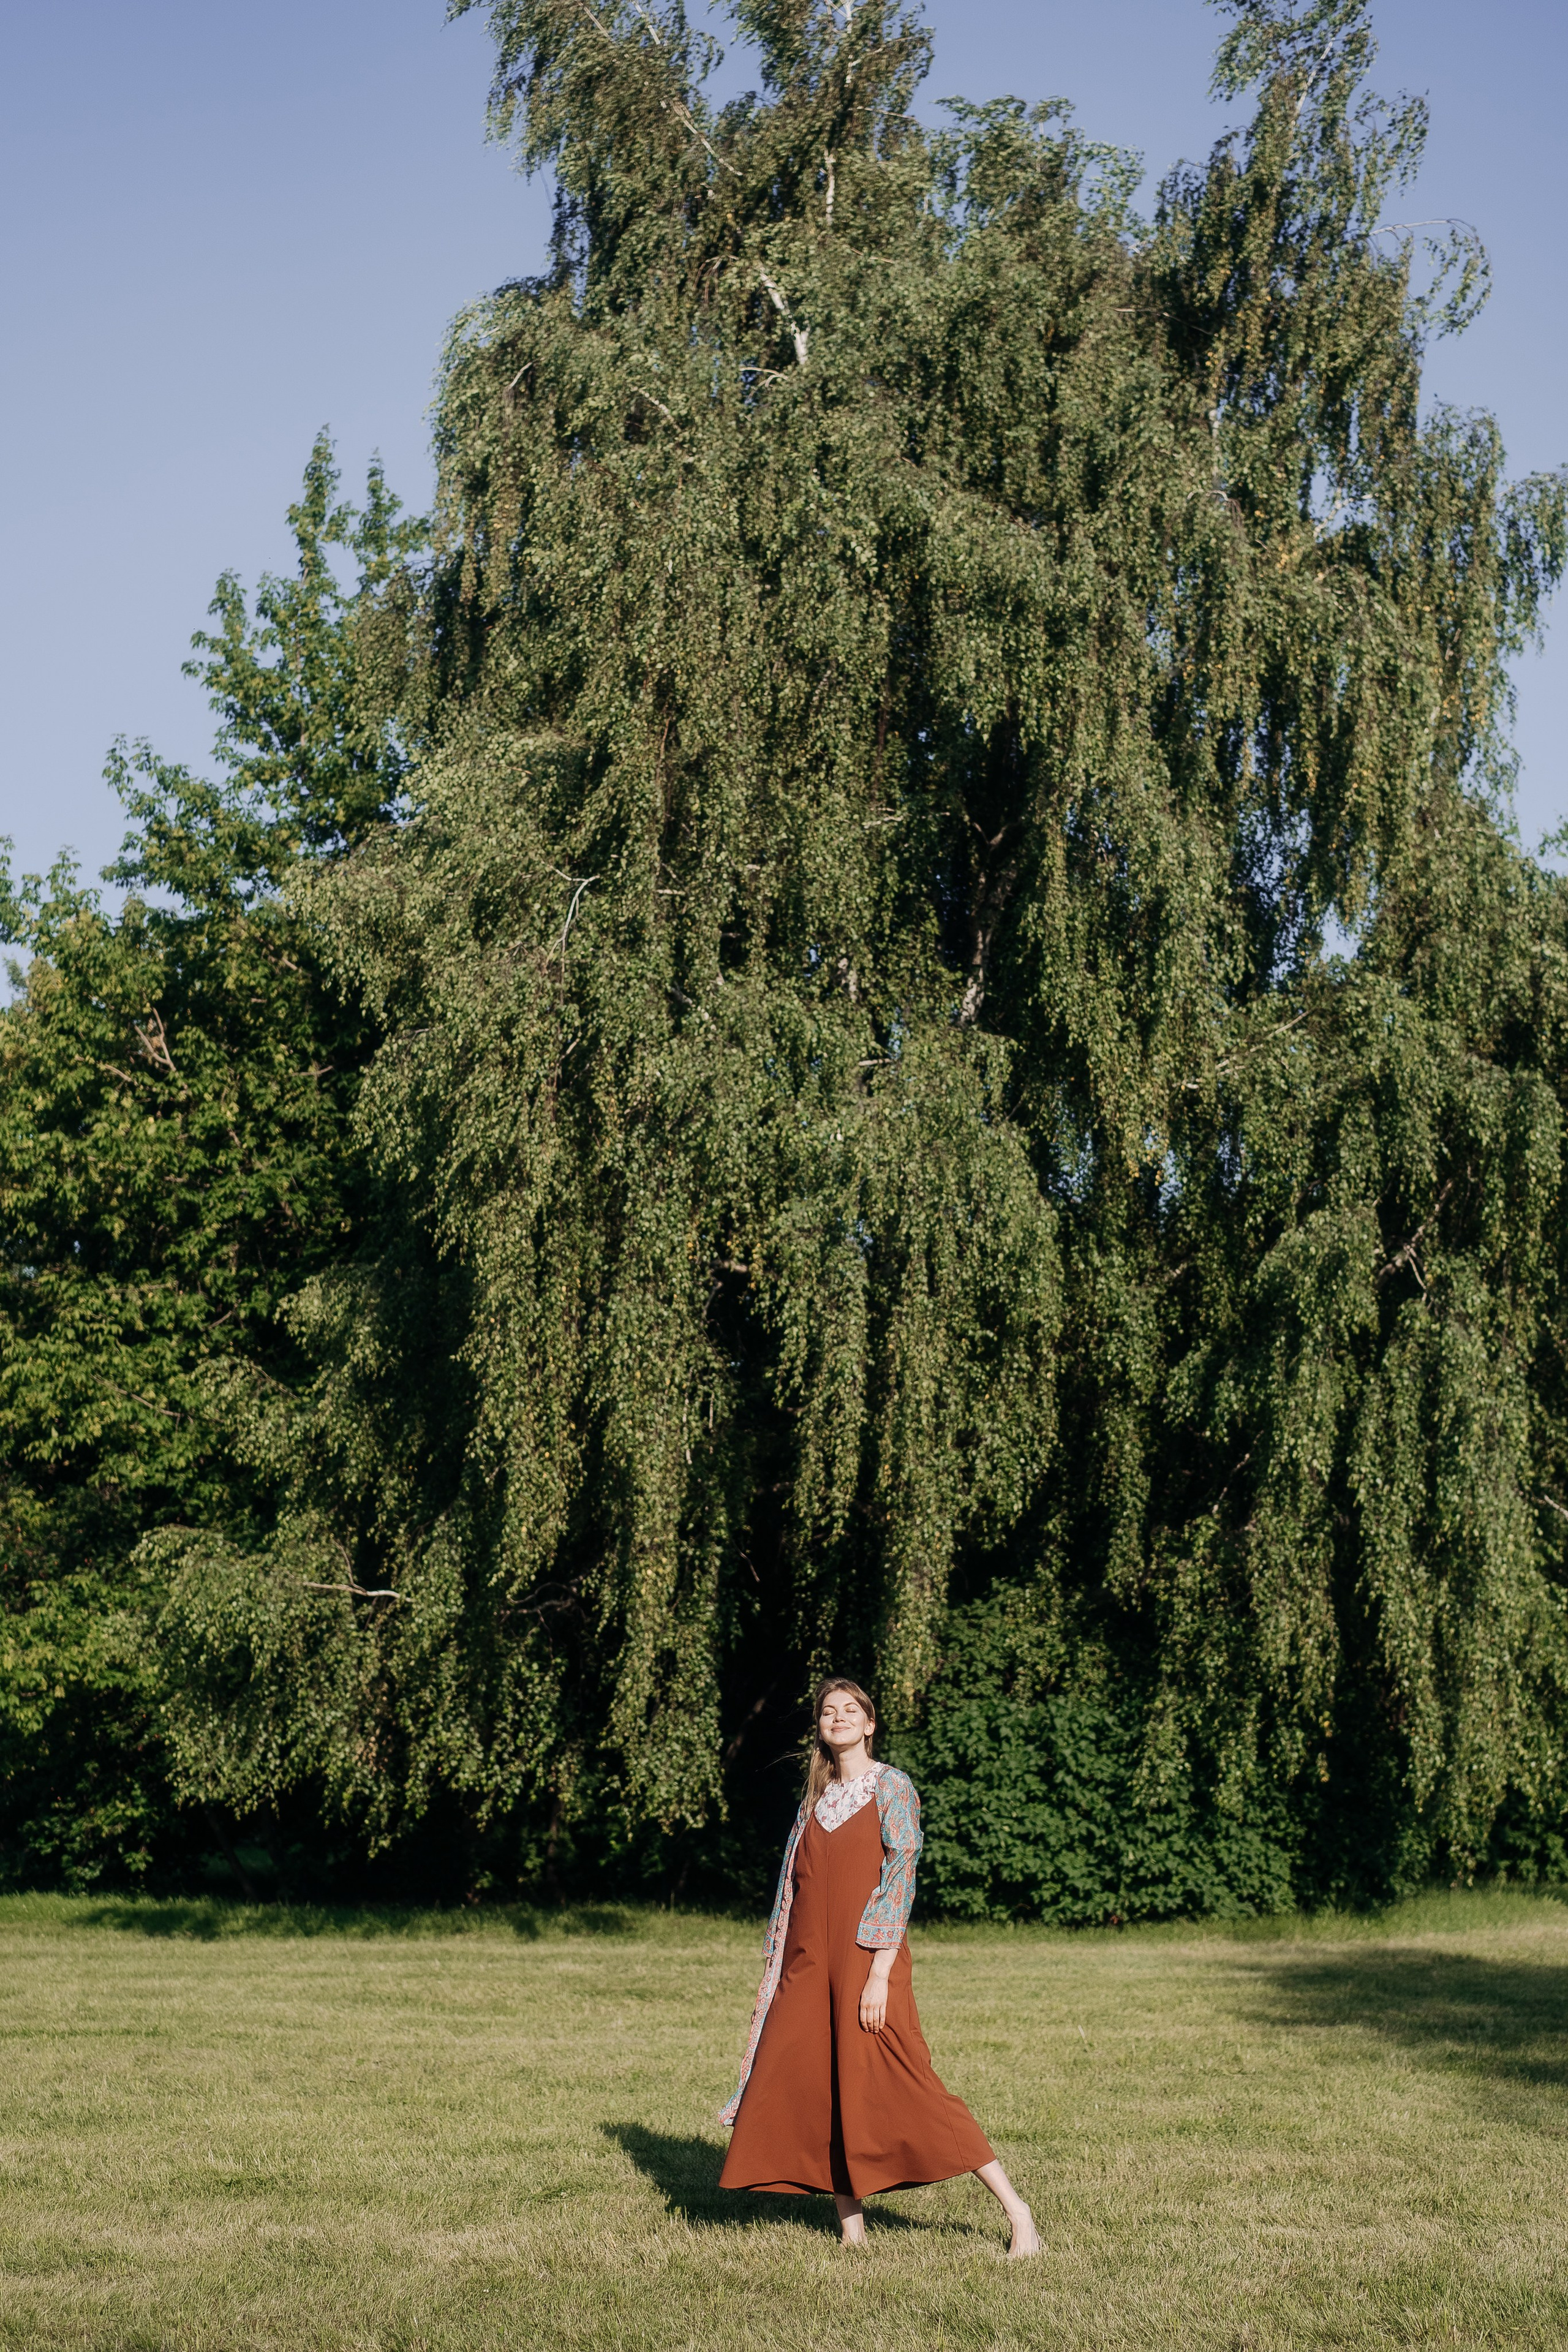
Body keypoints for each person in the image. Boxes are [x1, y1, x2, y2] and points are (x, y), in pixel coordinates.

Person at [718, 1675, 1040, 2255]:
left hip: (869, 1958)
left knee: (910, 2083)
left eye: (850, 1710)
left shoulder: (892, 1786)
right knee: (819, 2084)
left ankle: (1019, 2215)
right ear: (820, 1728)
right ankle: (853, 2232)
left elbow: (899, 1879)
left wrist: (880, 1974)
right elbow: (797, 1892)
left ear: (869, 1724)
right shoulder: (813, 1801)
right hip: (809, 1967)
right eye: (827, 1711)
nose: (837, 1717)